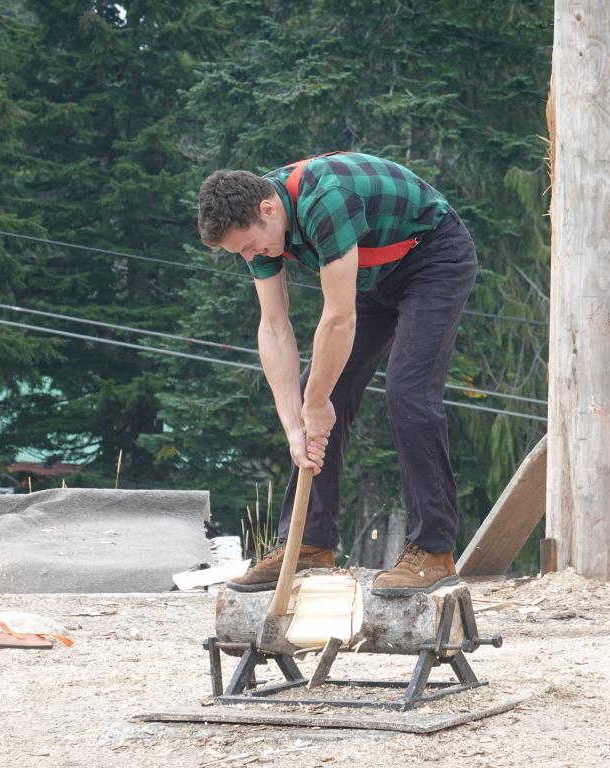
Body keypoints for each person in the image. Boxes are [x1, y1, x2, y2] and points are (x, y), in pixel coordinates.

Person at [197, 152, 477, 596]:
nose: (250, 256)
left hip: (433, 259)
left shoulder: (324, 199)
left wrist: (314, 401)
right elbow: (273, 327)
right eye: (241, 252)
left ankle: (434, 550)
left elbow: (340, 317)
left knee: (407, 392)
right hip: (372, 277)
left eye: (249, 246)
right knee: (321, 396)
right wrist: (295, 423)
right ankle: (308, 542)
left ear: (267, 210)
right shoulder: (262, 223)